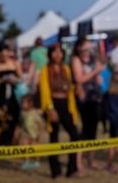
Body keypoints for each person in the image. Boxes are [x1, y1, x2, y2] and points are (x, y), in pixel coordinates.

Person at [39, 43, 81, 179]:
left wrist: (76, 90)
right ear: (50, 54)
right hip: (53, 104)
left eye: (60, 52)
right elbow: (44, 91)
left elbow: (69, 88)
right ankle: (56, 171)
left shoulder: (66, 69)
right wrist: (50, 108)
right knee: (54, 138)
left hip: (66, 105)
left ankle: (72, 169)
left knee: (74, 136)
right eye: (54, 52)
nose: (58, 55)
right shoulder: (45, 70)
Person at [70, 37, 104, 170]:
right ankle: (78, 162)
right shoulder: (76, 60)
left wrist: (97, 77)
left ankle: (91, 159)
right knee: (85, 130)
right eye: (84, 49)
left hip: (94, 96)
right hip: (84, 98)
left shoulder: (92, 59)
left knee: (93, 130)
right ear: (78, 49)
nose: (87, 52)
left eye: (89, 49)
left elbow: (93, 74)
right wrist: (95, 71)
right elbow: (79, 78)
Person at [0, 43, 24, 147]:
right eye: (2, 53)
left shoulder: (15, 63)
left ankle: (13, 140)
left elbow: (21, 78)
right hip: (2, 92)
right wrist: (1, 80)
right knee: (2, 116)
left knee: (15, 116)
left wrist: (15, 80)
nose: (4, 55)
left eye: (6, 53)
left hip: (14, 93)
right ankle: (3, 140)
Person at [17, 93, 46, 171]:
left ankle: (36, 161)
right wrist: (17, 132)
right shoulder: (22, 113)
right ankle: (27, 161)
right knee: (25, 148)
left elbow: (40, 123)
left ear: (30, 103)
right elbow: (20, 123)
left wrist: (41, 133)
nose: (23, 105)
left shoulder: (34, 113)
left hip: (34, 135)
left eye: (24, 103)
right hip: (25, 134)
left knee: (35, 148)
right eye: (22, 103)